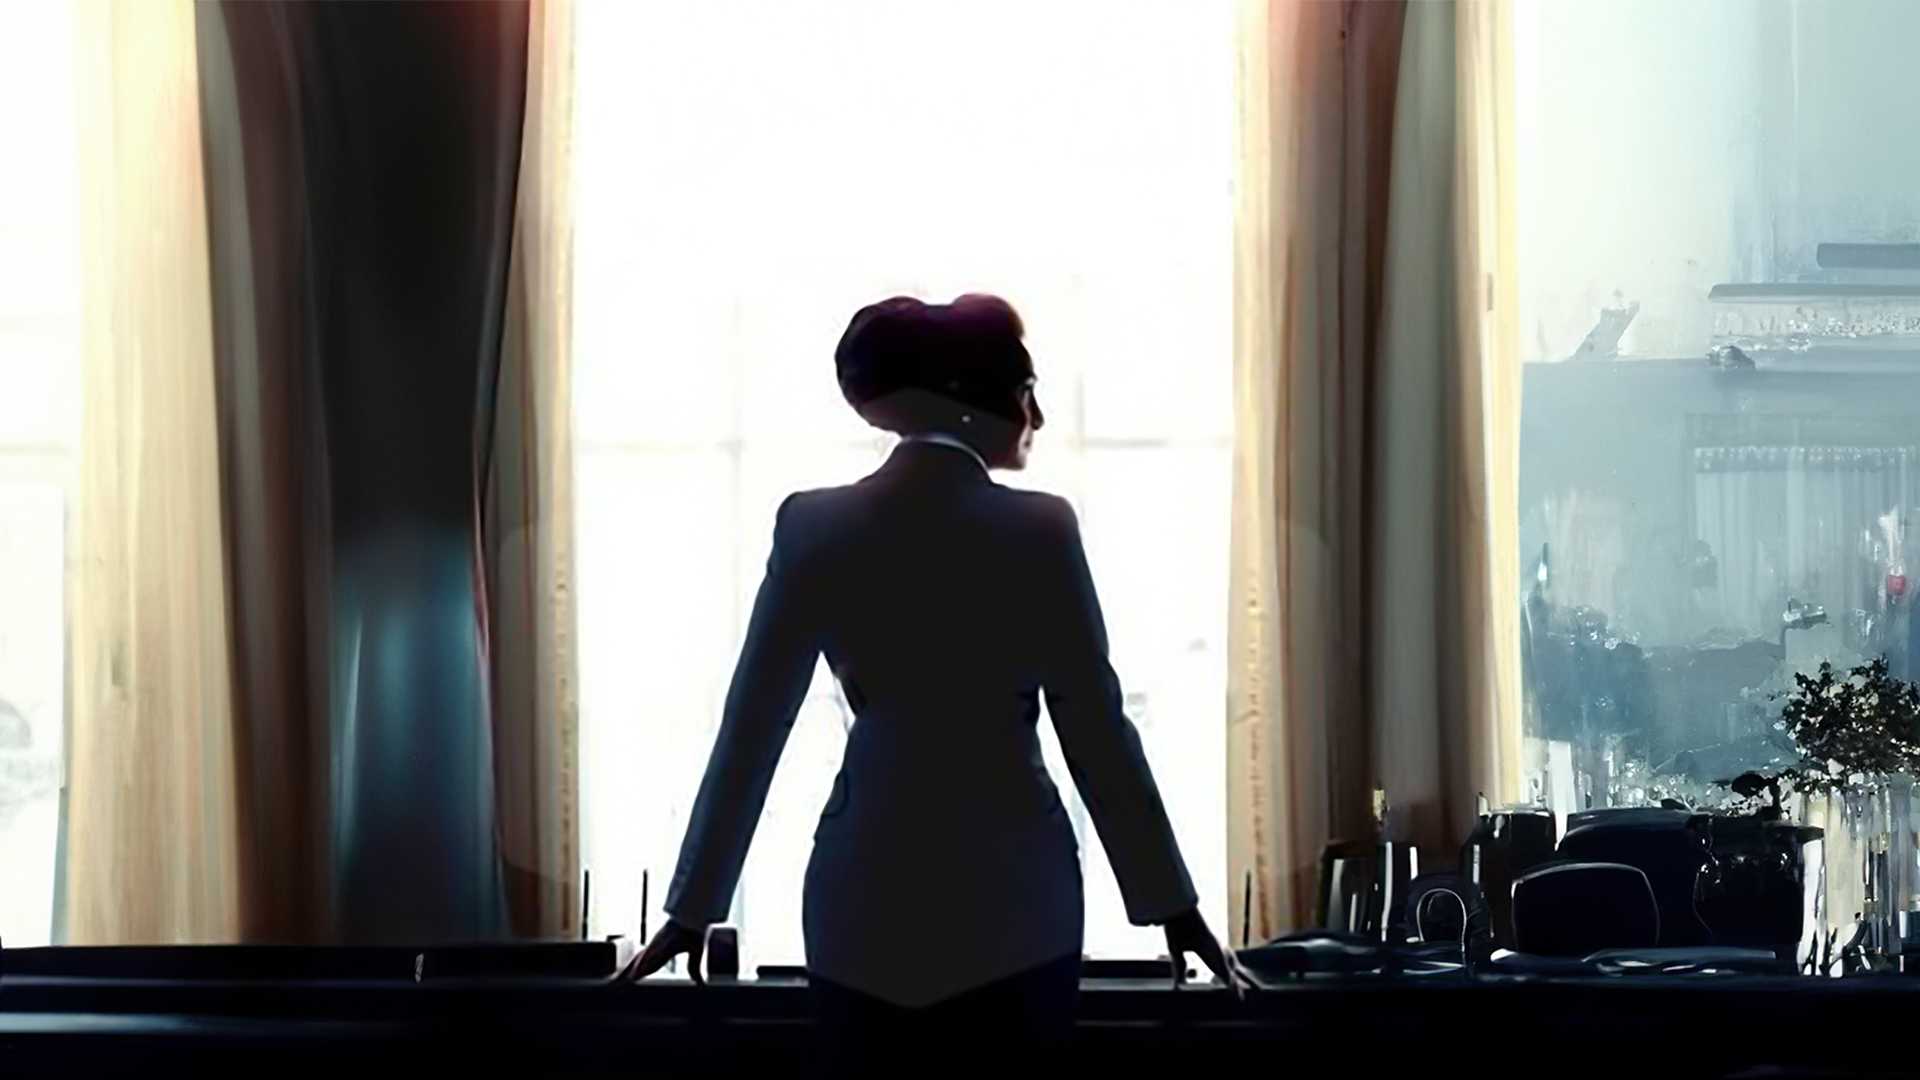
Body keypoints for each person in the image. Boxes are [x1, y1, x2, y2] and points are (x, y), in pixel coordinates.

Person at [615, 294, 1241, 1069]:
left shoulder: (813, 526)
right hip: (1018, 904)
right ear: (970, 402)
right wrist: (1173, 907)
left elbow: (752, 727)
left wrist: (693, 907)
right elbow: (1096, 732)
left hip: (862, 900)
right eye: (1025, 392)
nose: (1037, 417)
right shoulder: (1042, 529)